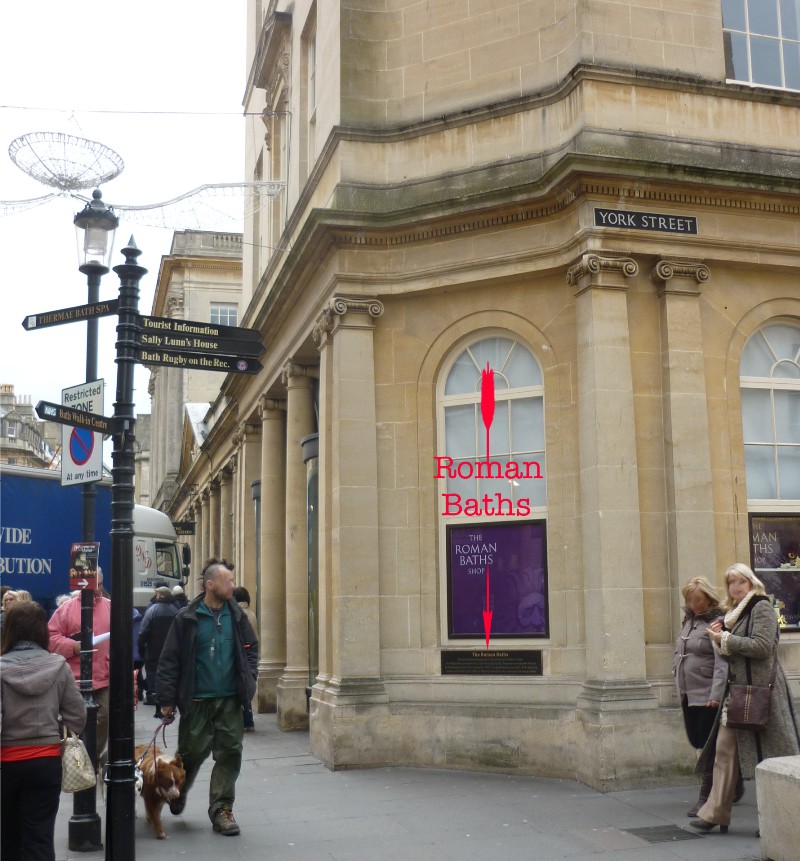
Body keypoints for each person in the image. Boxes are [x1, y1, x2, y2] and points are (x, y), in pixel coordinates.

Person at [690, 563, 800, 833]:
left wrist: (725, 639)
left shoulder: (761, 607)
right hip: (739, 695)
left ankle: (776, 819)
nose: (735, 587)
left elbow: (763, 647)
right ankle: (715, 813)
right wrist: (720, 640)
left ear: (751, 583)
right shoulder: (734, 614)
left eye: (741, 582)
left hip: (763, 695)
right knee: (723, 753)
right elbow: (735, 653)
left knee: (773, 758)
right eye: (731, 583)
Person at [157, 558, 258, 837]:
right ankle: (178, 789)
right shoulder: (187, 618)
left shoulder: (237, 616)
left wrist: (250, 679)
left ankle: (221, 810)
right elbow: (169, 660)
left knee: (230, 753)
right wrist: (166, 700)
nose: (233, 586)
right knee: (190, 754)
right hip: (197, 701)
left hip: (229, 700)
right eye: (229, 581)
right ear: (210, 584)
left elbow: (251, 648)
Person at [1, 600, 87, 861]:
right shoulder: (59, 666)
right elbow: (78, 715)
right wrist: (56, 730)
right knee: (40, 836)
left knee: (8, 838)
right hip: (46, 761)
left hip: (7, 762)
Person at [673, 577, 730, 816]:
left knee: (708, 747)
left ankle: (706, 798)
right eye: (690, 599)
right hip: (688, 692)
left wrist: (716, 694)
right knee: (696, 740)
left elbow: (722, 661)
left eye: (698, 599)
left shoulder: (717, 623)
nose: (694, 603)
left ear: (708, 597)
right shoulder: (689, 621)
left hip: (707, 693)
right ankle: (733, 784)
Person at [47, 569, 111, 766]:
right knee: (72, 723)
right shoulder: (66, 609)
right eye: (95, 585)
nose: (99, 589)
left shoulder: (110, 607)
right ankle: (76, 760)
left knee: (103, 718)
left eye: (101, 584)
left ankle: (91, 757)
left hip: (104, 677)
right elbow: (51, 637)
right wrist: (73, 647)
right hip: (74, 679)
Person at [138, 585, 180, 719]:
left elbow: (143, 631)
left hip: (154, 650)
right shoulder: (175, 610)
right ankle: (169, 706)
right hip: (171, 651)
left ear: (159, 596)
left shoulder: (152, 610)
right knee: (168, 677)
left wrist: (141, 646)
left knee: (154, 678)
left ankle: (158, 707)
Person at [232, 586, 258, 732]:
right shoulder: (251, 613)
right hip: (250, 655)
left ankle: (246, 721)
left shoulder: (239, 615)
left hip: (244, 656)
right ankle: (249, 722)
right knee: (246, 691)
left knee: (242, 691)